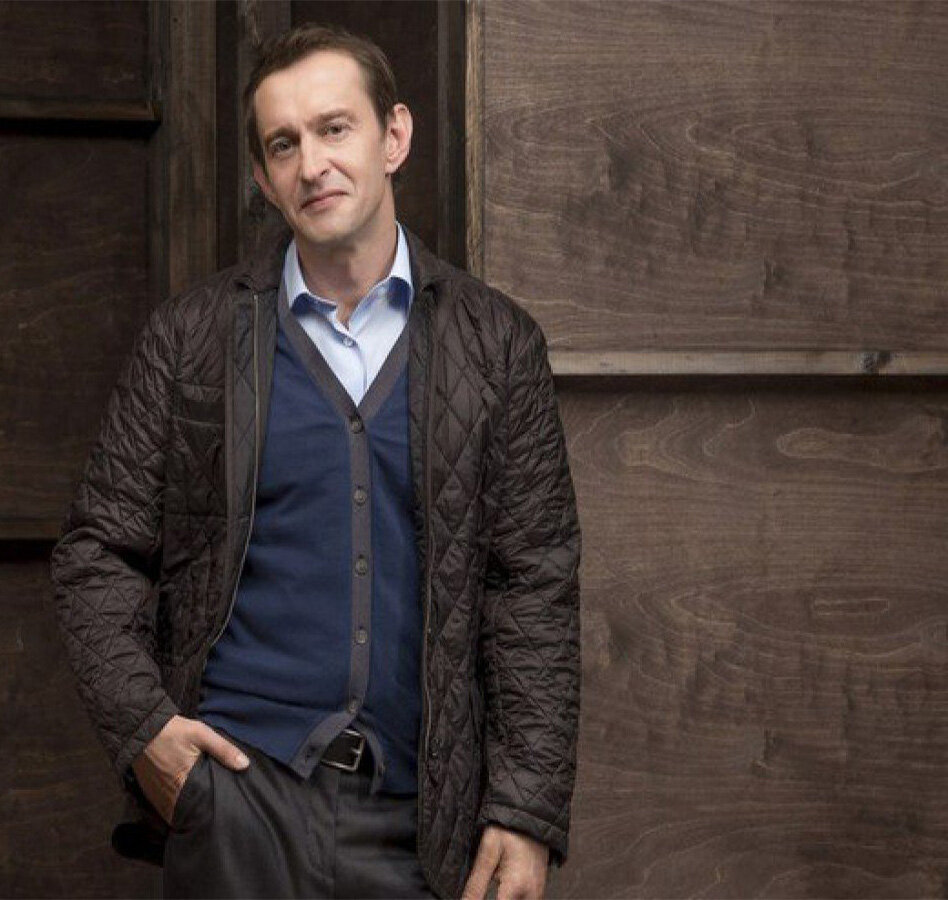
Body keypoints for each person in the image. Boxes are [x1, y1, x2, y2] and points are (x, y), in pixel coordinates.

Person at [51, 22, 581, 900]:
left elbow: (533, 589)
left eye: (335, 129)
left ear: (394, 137)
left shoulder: (497, 346)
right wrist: (148, 733)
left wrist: (525, 811)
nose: (312, 164)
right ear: (264, 178)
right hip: (236, 804)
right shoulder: (192, 339)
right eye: (284, 144)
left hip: (422, 822)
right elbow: (95, 552)